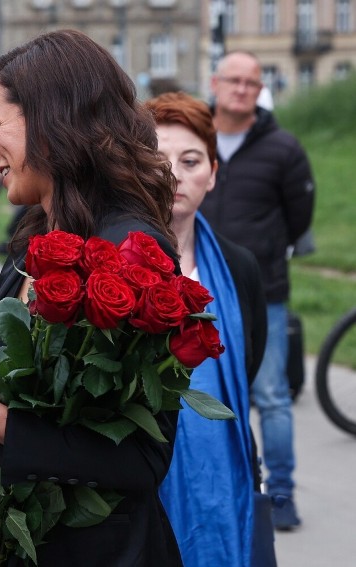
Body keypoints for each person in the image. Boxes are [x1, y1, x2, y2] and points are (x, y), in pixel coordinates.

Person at [0, 29, 183, 566]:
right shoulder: (32, 242)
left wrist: (0, 423)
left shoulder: (131, 252)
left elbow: (144, 459)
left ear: (54, 120)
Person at [146, 91, 274, 566]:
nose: (175, 174)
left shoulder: (239, 268)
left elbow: (248, 362)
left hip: (226, 474)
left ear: (213, 173)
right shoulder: (114, 264)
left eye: (191, 159)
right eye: (157, 159)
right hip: (141, 479)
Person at [200, 50, 315, 531]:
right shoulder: (195, 137)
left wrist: (266, 251)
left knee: (270, 394)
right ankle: (222, 485)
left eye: (252, 82)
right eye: (234, 80)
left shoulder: (283, 148)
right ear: (215, 83)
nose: (242, 89)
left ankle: (281, 491)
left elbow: (299, 218)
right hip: (200, 291)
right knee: (209, 394)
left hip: (263, 288)